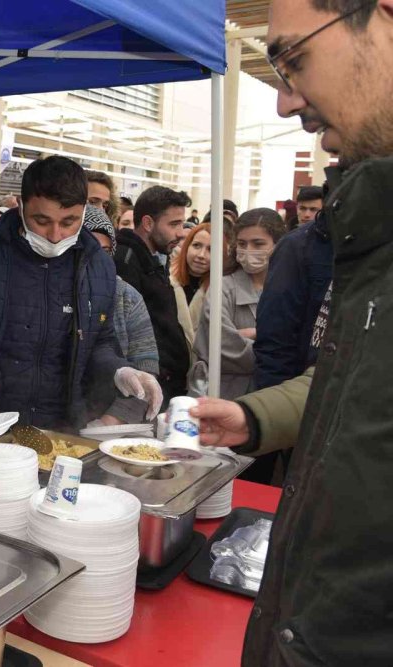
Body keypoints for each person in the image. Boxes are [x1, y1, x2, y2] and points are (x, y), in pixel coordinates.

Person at [191, 2, 393, 662]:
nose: (283, 103)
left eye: (293, 60)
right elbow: (364, 377)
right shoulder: (371, 226)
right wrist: (256, 417)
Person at [0, 156, 162, 431]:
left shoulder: (97, 264)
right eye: (41, 220)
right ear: (22, 206)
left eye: (69, 221)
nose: (55, 235)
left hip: (58, 427)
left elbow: (100, 340)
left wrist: (119, 370)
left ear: (84, 212)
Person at [190, 208, 286, 402]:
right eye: (242, 243)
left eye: (258, 243)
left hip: (273, 397)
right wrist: (271, 344)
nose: (248, 250)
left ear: (277, 245)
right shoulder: (222, 288)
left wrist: (250, 333)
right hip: (225, 394)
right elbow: (219, 346)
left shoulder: (288, 288)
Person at [82, 205, 160, 425]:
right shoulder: (54, 292)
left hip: (113, 427)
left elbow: (146, 368)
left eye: (105, 251)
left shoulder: (127, 297)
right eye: (90, 248)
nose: (97, 259)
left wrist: (111, 421)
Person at [113, 186, 191, 403]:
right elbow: (125, 332)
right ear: (148, 223)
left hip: (165, 382)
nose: (181, 232)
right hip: (146, 388)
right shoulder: (126, 261)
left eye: (182, 223)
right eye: (174, 224)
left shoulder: (154, 259)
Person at [254, 198, 332, 390]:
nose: (306, 213)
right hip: (304, 393)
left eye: (312, 209)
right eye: (303, 208)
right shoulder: (298, 247)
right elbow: (275, 341)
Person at [170, 222, 219, 349]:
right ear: (186, 247)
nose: (201, 255)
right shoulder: (166, 282)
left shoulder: (221, 292)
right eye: (196, 245)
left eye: (211, 249)